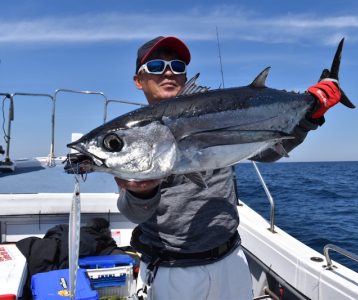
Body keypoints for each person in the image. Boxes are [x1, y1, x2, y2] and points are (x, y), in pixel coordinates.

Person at [116, 36, 342, 300]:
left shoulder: (217, 109)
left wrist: (309, 118)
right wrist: (141, 192)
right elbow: (134, 213)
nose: (168, 72)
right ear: (138, 80)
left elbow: (267, 151)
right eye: (155, 65)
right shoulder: (134, 134)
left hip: (231, 257)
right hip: (172, 269)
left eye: (177, 66)